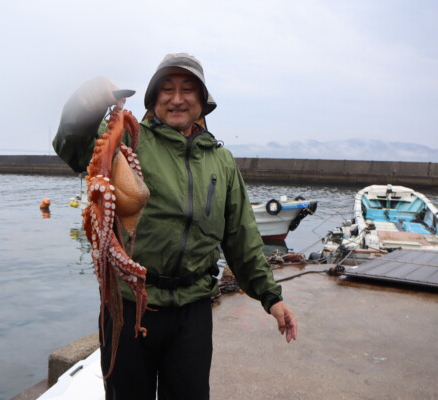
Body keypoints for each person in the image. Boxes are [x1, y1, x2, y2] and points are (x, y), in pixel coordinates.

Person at [54, 53, 298, 400]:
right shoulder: (127, 140)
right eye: (166, 89)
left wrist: (271, 298)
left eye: (188, 90)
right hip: (127, 303)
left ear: (202, 102)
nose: (177, 98)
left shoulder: (221, 161)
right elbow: (72, 148)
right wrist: (85, 103)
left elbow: (241, 238)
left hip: (193, 309)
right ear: (153, 99)